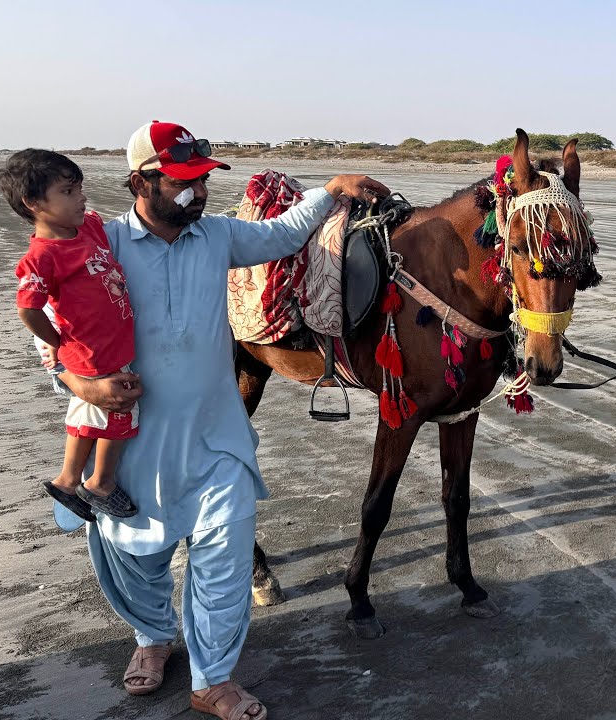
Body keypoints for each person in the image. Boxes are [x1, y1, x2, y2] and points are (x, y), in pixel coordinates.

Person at [53, 120, 389, 720]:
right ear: (140, 182)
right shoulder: (99, 243)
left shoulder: (217, 237)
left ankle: (212, 677)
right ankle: (152, 639)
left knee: (225, 556)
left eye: (202, 181)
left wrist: (330, 189)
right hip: (130, 439)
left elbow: (284, 234)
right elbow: (57, 322)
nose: (198, 194)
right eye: (182, 183)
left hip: (216, 436)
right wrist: (78, 381)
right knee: (135, 553)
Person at [0, 149, 138, 522]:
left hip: (107, 345)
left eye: (79, 188)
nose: (81, 198)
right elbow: (28, 308)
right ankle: (100, 483)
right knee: (119, 408)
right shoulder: (42, 256)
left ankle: (66, 480)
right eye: (68, 191)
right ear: (33, 203)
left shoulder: (89, 227)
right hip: (94, 353)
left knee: (85, 414)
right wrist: (58, 344)